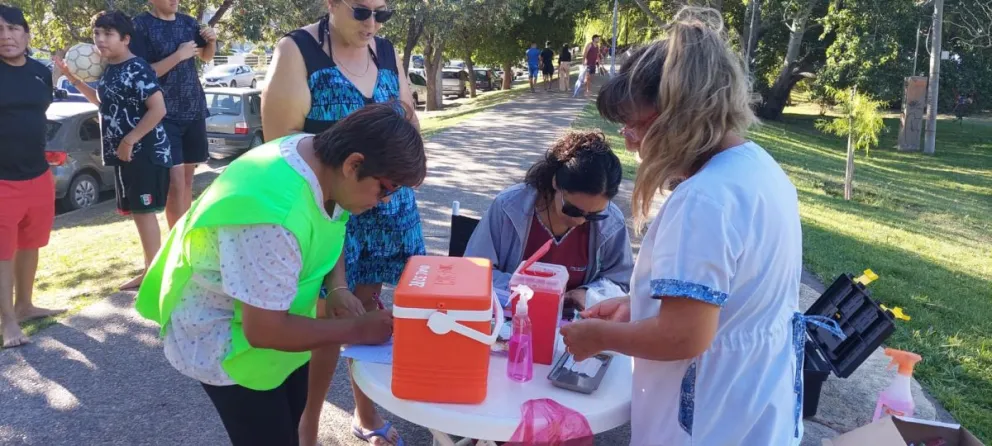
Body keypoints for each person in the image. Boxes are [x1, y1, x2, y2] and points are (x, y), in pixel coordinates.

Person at [560, 8, 808, 445]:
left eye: (635, 123)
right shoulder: (759, 169)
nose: (628, 138)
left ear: (681, 114)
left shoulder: (704, 199)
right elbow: (725, 302)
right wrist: (636, 311)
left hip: (709, 422)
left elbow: (684, 335)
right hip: (755, 408)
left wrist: (602, 336)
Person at [135, 103, 423, 446]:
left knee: (290, 418)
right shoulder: (275, 217)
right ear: (354, 164)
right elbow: (265, 330)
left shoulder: (325, 163)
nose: (386, 202)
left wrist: (337, 288)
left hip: (275, 321)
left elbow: (332, 226)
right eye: (386, 189)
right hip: (225, 339)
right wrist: (356, 329)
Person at [262, 1, 422, 444]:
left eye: (383, 14)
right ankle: (308, 424)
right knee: (327, 318)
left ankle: (365, 413)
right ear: (331, 3)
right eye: (361, 10)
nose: (372, 23)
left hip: (387, 206)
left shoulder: (386, 52)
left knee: (366, 307)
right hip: (331, 213)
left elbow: (409, 118)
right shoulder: (298, 52)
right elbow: (283, 158)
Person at [55, 11, 173, 292]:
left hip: (145, 152)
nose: (100, 40)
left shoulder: (138, 67)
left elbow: (159, 109)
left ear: (125, 38)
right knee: (137, 213)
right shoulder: (109, 70)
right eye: (97, 34)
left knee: (144, 213)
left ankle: (155, 277)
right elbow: (102, 102)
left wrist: (130, 140)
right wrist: (72, 78)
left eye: (108, 34)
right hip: (123, 154)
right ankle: (149, 271)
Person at [465, 131, 633, 311]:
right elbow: (474, 273)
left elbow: (622, 283)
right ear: (555, 183)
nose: (581, 221)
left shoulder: (611, 222)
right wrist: (530, 291)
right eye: (572, 210)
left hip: (575, 326)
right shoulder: (508, 208)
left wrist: (586, 293)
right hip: (513, 317)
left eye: (594, 215)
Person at [0, 4, 64, 348]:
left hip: (38, 176)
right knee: (2, 253)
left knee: (30, 244)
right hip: (2, 181)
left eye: (13, 29)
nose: (6, 37)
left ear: (26, 35)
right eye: (0, 30)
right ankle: (8, 323)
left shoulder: (41, 72)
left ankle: (25, 305)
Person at [130, 0, 217, 232]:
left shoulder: (188, 23)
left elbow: (206, 57)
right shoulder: (140, 26)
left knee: (187, 182)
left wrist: (212, 41)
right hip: (163, 115)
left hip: (194, 109)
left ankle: (185, 237)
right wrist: (179, 56)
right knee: (175, 184)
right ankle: (175, 245)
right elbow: (145, 73)